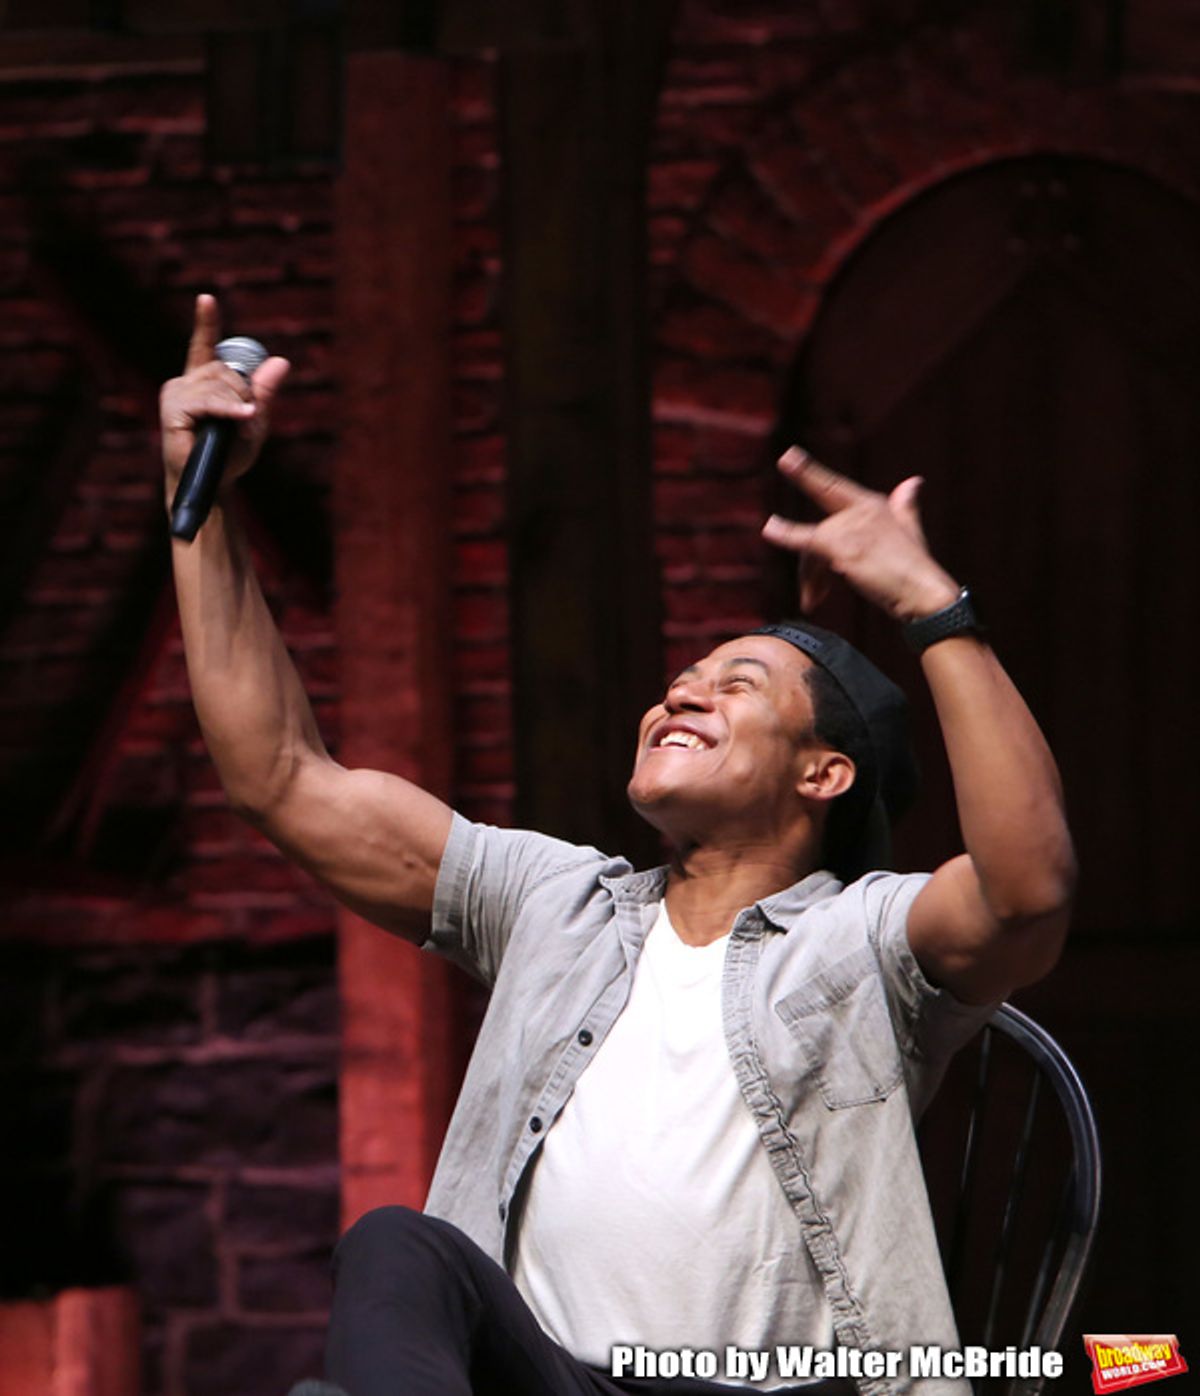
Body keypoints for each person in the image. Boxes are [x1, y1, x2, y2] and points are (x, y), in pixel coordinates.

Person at [161, 297, 1075, 1396]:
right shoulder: (560, 902)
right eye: (682, 680)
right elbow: (280, 777)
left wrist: (930, 602)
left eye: (739, 684)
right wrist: (198, 498)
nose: (683, 691)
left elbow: (1027, 889)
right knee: (399, 1246)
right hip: (550, 1381)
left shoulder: (864, 935)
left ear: (823, 773)